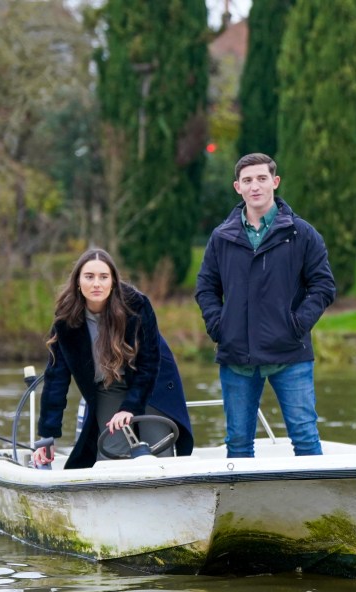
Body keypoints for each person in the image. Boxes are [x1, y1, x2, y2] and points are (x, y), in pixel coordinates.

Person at [195, 153, 336, 458]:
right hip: (236, 355)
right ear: (237, 187)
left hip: (290, 354)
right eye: (247, 180)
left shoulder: (302, 233)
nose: (255, 186)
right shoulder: (222, 237)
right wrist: (220, 326)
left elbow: (323, 286)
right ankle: (240, 507)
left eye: (261, 178)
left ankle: (318, 506)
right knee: (238, 444)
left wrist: (296, 325)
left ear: (275, 181)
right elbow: (205, 287)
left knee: (306, 438)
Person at [33, 249, 193, 469]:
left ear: (113, 282)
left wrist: (130, 408)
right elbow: (56, 379)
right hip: (109, 385)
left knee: (158, 453)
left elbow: (149, 363)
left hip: (153, 385)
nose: (96, 283)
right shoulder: (66, 320)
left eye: (103, 277)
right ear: (78, 282)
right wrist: (48, 436)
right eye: (89, 277)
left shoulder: (136, 306)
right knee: (111, 454)